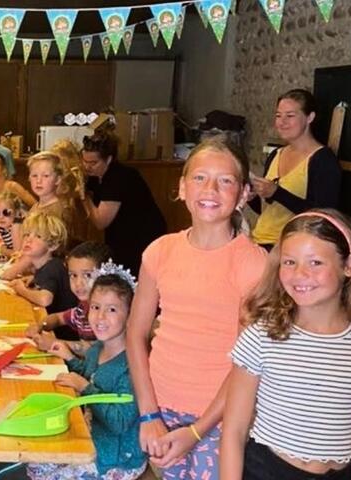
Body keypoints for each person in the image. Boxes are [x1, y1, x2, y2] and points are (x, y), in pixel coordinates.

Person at [126, 136, 267, 480]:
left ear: (244, 194)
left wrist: (196, 431)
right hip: (160, 407)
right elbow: (135, 333)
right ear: (182, 187)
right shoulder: (160, 251)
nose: (210, 189)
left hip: (221, 415)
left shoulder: (254, 264)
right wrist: (149, 414)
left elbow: (249, 361)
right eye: (200, 178)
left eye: (225, 181)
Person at [222, 209, 351, 480]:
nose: (300, 274)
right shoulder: (261, 336)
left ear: (349, 265)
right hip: (266, 471)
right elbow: (234, 430)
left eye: (315, 262)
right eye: (289, 262)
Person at [27, 262, 147, 480]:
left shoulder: (132, 365)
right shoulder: (97, 349)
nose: (100, 317)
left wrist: (84, 387)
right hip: (93, 436)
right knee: (36, 463)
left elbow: (120, 422)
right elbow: (91, 373)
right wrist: (70, 358)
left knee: (48, 475)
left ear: (131, 315)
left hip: (118, 458)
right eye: (95, 307)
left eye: (112, 309)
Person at [249, 88, 342, 250]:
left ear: (310, 117)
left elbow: (322, 217)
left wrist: (277, 193)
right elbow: (269, 211)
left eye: (290, 116)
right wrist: (251, 198)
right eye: (278, 115)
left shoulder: (323, 160)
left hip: (292, 248)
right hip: (259, 241)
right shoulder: (275, 154)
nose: (282, 122)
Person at [80, 133, 166, 275]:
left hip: (141, 236)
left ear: (108, 159)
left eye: (93, 163)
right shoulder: (95, 176)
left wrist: (84, 196)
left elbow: (101, 221)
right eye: (85, 161)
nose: (88, 167)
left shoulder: (119, 177)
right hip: (121, 233)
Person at [26, 241, 112, 352]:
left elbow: (96, 351)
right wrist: (41, 326)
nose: (78, 283)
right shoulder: (83, 307)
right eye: (73, 275)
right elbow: (58, 318)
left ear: (106, 275)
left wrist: (54, 343)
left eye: (87, 275)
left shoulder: (108, 313)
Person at [7, 211, 78, 315]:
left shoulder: (51, 269)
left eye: (38, 236)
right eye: (27, 234)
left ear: (52, 246)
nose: (28, 240)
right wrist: (35, 279)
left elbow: (45, 299)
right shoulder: (51, 264)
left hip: (60, 325)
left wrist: (21, 290)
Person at [27, 151, 75, 226]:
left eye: (45, 176)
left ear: (58, 179)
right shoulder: (35, 207)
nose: (38, 180)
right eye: (34, 175)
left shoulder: (59, 211)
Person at [0, 191, 24, 257]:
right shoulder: (4, 227)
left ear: (16, 212)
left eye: (6, 213)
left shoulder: (16, 227)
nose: (1, 217)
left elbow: (18, 254)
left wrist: (4, 250)